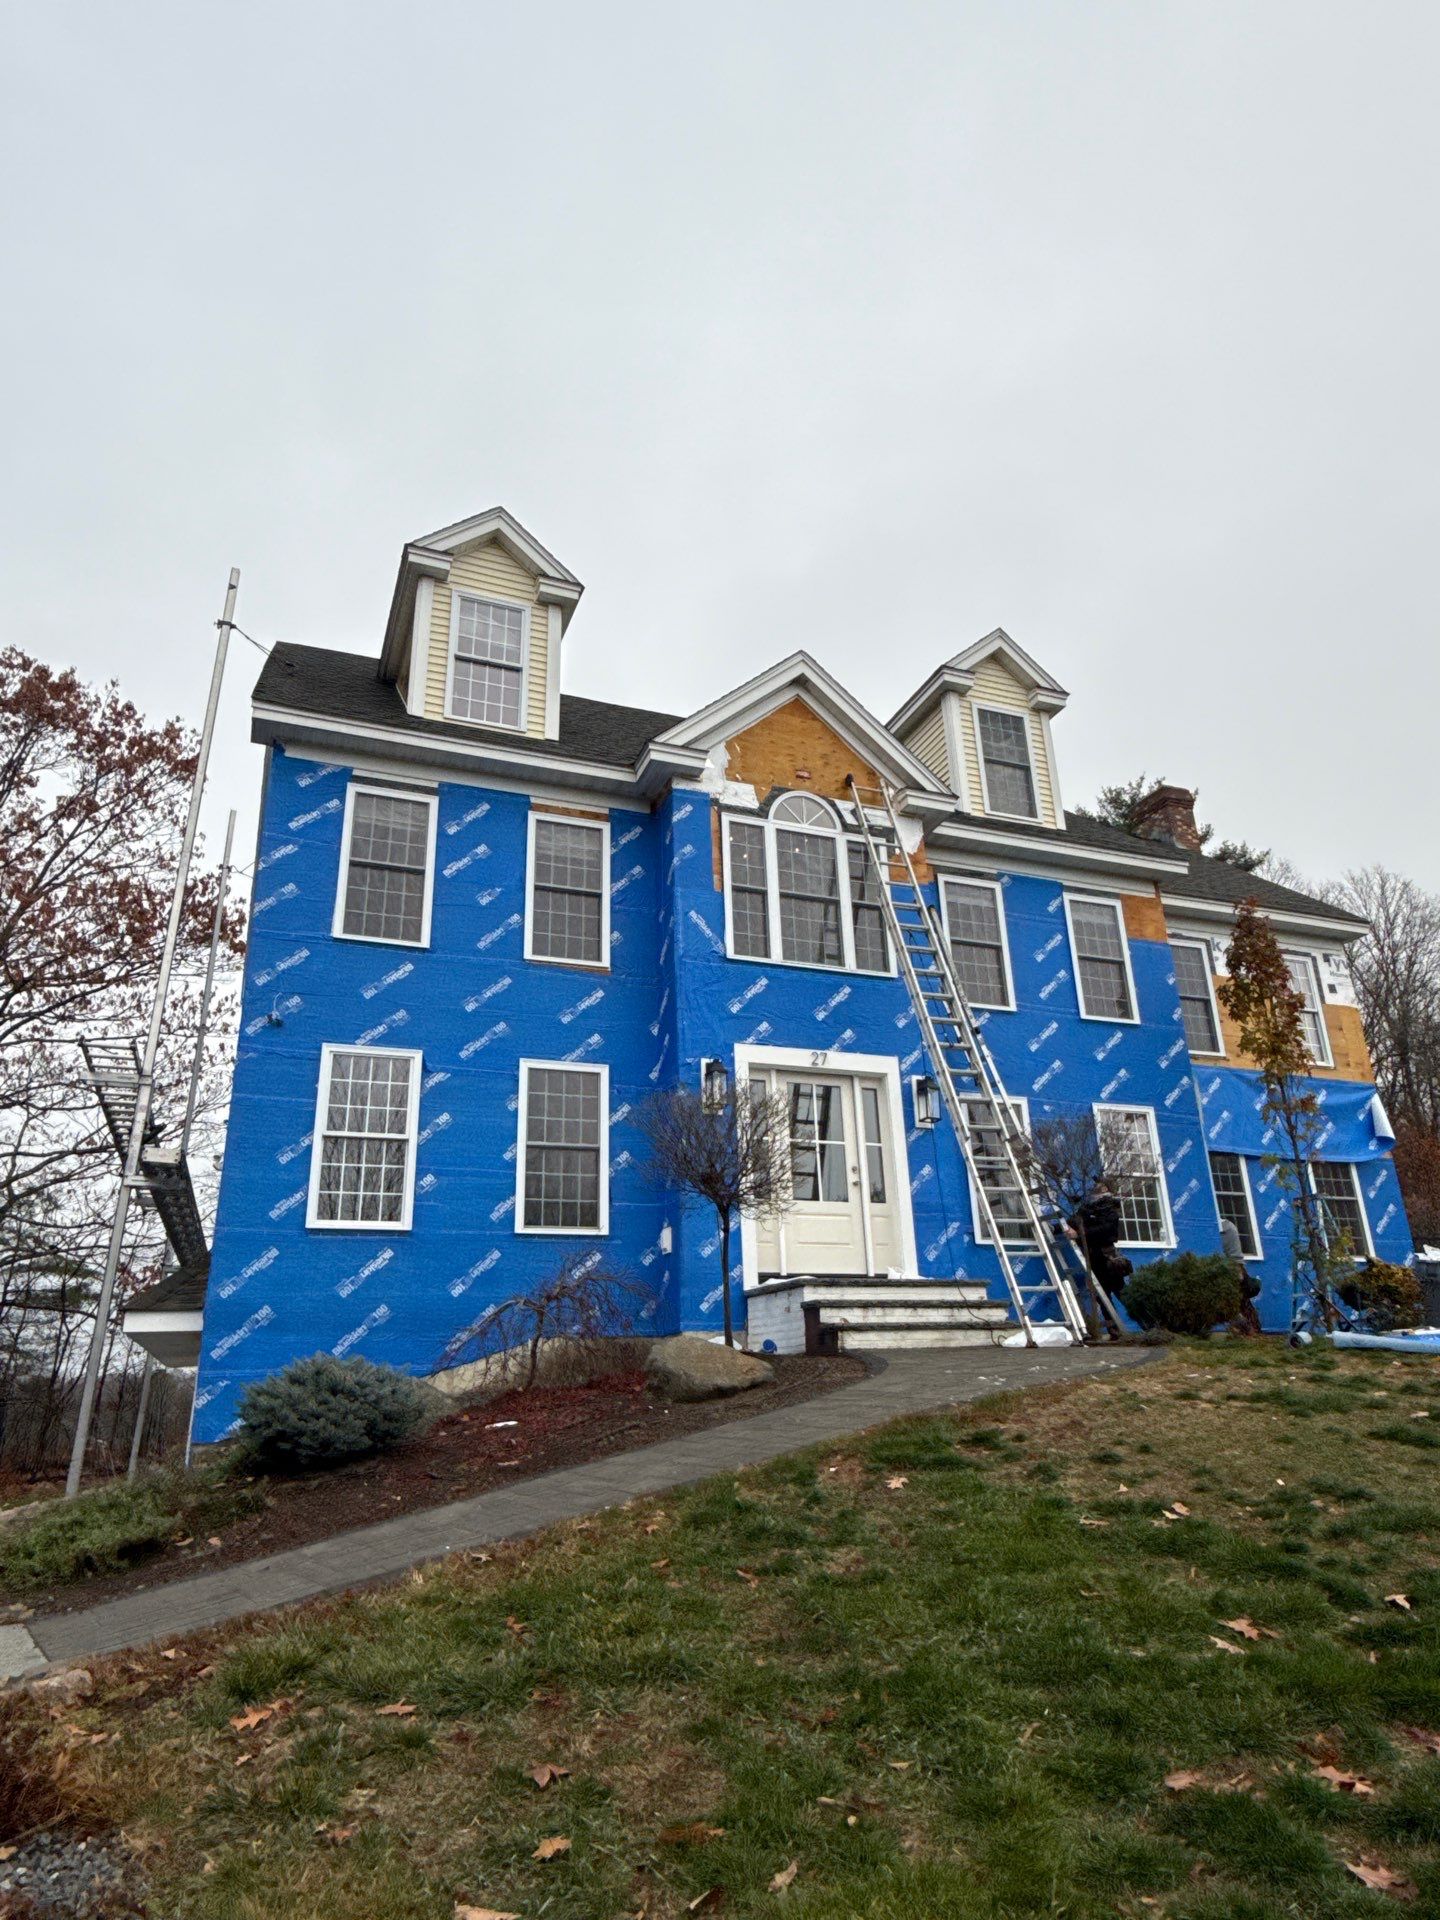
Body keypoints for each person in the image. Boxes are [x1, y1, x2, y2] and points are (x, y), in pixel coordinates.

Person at [1220, 1217, 1263, 1333]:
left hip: (1230, 1277)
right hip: (1222, 1278)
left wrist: (1237, 1275)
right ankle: (1246, 1328)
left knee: (1240, 1303)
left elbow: (1237, 1265)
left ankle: (1248, 1329)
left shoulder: (1227, 1228)